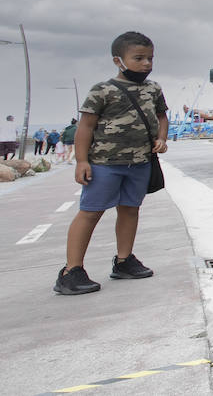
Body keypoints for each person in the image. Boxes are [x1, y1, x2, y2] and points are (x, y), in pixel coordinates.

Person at [54, 31, 169, 296]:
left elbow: (162, 117)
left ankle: (124, 260)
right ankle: (71, 270)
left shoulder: (153, 89)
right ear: (118, 60)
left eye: (150, 58)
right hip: (105, 164)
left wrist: (162, 138)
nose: (146, 64)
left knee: (130, 210)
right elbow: (86, 127)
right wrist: (81, 161)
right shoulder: (102, 90)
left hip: (140, 162)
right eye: (138, 58)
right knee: (91, 212)